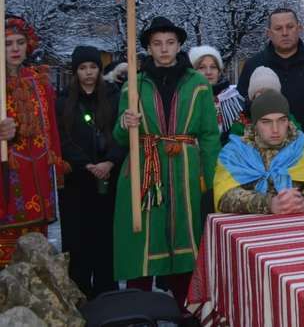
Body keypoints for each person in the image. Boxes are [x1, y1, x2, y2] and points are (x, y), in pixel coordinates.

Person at [114, 16, 219, 311]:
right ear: (148, 47)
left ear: (179, 45)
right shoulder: (134, 84)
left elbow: (210, 135)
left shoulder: (197, 83)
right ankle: (139, 312)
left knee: (185, 239)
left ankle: (188, 311)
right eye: (157, 44)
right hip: (144, 170)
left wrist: (210, 181)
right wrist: (126, 123)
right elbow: (119, 136)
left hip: (185, 170)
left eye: (170, 43)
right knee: (144, 241)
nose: (164, 49)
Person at [56, 45, 124, 298]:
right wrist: (85, 164)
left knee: (105, 242)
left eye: (93, 67)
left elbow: (121, 133)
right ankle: (80, 295)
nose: (88, 73)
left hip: (109, 179)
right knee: (78, 243)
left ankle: (108, 296)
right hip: (77, 183)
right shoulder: (63, 101)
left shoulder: (114, 96)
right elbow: (63, 139)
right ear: (75, 71)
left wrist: (109, 162)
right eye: (83, 68)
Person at [0, 16, 66, 267]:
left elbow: (52, 131)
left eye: (20, 42)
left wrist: (57, 166)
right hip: (7, 177)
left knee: (36, 257)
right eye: (7, 43)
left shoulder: (39, 82)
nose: (15, 49)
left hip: (37, 173)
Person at [214, 90, 304, 214]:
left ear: (288, 121)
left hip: (299, 222)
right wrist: (268, 204)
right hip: (251, 228)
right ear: (254, 124)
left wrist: (303, 200)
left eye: (281, 120)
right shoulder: (235, 152)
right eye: (266, 122)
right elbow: (225, 194)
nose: (275, 129)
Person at [236, 8, 304, 144]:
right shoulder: (253, 65)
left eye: (290, 27)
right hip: (263, 152)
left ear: (299, 28)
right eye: (278, 28)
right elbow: (241, 109)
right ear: (269, 33)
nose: (285, 33)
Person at [189, 46, 245, 143]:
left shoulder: (233, 100)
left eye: (213, 67)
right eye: (201, 67)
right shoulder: (185, 99)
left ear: (219, 71)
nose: (208, 72)